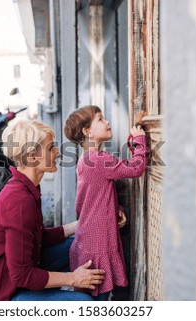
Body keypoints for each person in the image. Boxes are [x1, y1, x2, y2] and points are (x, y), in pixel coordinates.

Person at [0, 120, 105, 301]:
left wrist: (80, 225)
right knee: (83, 303)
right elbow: (22, 275)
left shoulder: (26, 186)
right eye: (51, 147)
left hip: (15, 277)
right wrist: (74, 278)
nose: (57, 151)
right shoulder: (18, 200)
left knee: (83, 244)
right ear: (31, 157)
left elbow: (37, 239)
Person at [64, 105, 147, 300]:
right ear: (87, 131)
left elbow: (93, 198)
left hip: (89, 240)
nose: (107, 122)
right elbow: (135, 168)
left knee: (94, 297)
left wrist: (114, 208)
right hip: (98, 242)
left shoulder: (86, 159)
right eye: (100, 119)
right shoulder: (98, 159)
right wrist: (140, 140)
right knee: (98, 299)